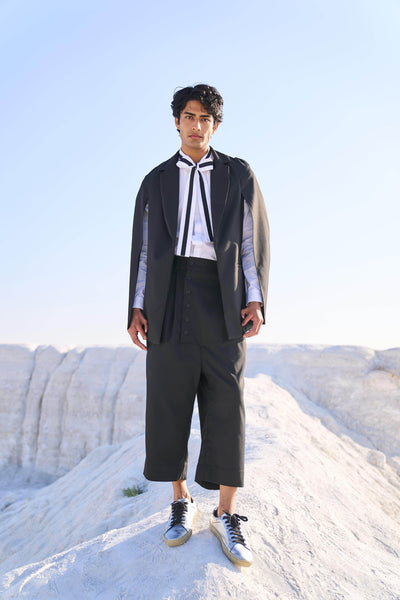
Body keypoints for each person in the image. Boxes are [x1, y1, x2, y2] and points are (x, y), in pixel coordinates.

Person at [127, 84, 270, 568]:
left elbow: (250, 240)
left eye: (205, 118)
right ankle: (180, 499)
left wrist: (255, 297)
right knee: (169, 397)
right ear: (176, 122)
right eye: (188, 116)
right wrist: (137, 305)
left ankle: (226, 513)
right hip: (168, 295)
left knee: (227, 400)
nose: (196, 125)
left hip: (223, 294)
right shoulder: (156, 180)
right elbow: (144, 249)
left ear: (215, 125)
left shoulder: (237, 173)